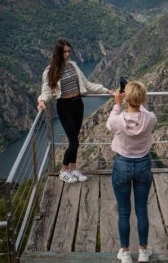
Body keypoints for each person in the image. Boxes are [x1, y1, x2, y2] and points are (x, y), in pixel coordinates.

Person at [37, 38, 113, 183]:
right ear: (58, 53)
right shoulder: (50, 71)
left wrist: (107, 90)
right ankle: (63, 170)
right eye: (64, 52)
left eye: (69, 51)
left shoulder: (73, 66)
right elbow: (46, 90)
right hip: (64, 107)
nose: (67, 54)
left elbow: (87, 84)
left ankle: (73, 168)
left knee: (76, 139)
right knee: (73, 141)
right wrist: (42, 100)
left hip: (78, 104)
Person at [106, 80, 157, 263]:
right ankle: (143, 250)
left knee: (124, 210)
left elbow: (109, 124)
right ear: (142, 99)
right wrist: (136, 102)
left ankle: (125, 252)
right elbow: (143, 112)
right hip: (143, 164)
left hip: (122, 165)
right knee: (142, 210)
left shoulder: (117, 121)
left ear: (126, 98)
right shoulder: (150, 118)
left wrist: (118, 104)